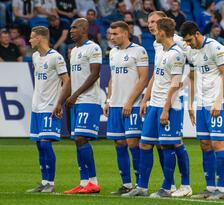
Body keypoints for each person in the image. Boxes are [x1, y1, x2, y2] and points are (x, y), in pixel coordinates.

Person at [124, 18, 186, 198]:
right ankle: (142, 187)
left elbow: (175, 84)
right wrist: (145, 100)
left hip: (170, 106)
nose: (152, 31)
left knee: (167, 146)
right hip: (154, 104)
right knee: (145, 143)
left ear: (162, 32)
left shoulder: (176, 54)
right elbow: (155, 78)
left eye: (155, 29)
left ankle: (167, 187)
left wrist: (166, 109)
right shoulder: (160, 51)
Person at [180, 21, 224, 200]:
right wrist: (190, 104)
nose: (188, 44)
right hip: (201, 104)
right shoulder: (192, 51)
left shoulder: (216, 48)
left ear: (197, 33)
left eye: (189, 40)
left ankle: (221, 188)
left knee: (217, 144)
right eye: (185, 41)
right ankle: (210, 188)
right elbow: (193, 78)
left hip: (217, 103)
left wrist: (218, 101)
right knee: (204, 144)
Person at [104, 21, 149, 195]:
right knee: (119, 142)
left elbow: (143, 78)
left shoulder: (139, 51)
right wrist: (108, 100)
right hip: (115, 104)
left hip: (133, 104)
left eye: (115, 34)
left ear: (125, 33)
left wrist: (130, 101)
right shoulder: (113, 53)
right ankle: (127, 184)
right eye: (110, 34)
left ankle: (140, 185)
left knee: (133, 142)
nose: (111, 37)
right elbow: (111, 79)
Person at [26, 26, 70, 193]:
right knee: (39, 144)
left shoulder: (56, 58)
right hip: (36, 107)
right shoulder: (35, 56)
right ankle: (44, 182)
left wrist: (59, 103)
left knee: (45, 144)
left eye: (31, 37)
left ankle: (51, 183)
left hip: (50, 108)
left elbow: (66, 81)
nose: (29, 40)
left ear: (39, 38)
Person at [64, 18, 103, 194]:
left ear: (84, 29)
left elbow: (95, 74)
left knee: (81, 138)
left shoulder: (93, 48)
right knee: (77, 140)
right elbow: (73, 78)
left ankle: (93, 181)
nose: (71, 30)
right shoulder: (74, 51)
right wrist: (61, 100)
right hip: (77, 100)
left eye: (75, 28)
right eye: (71, 28)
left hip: (89, 99)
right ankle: (83, 182)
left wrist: (75, 94)